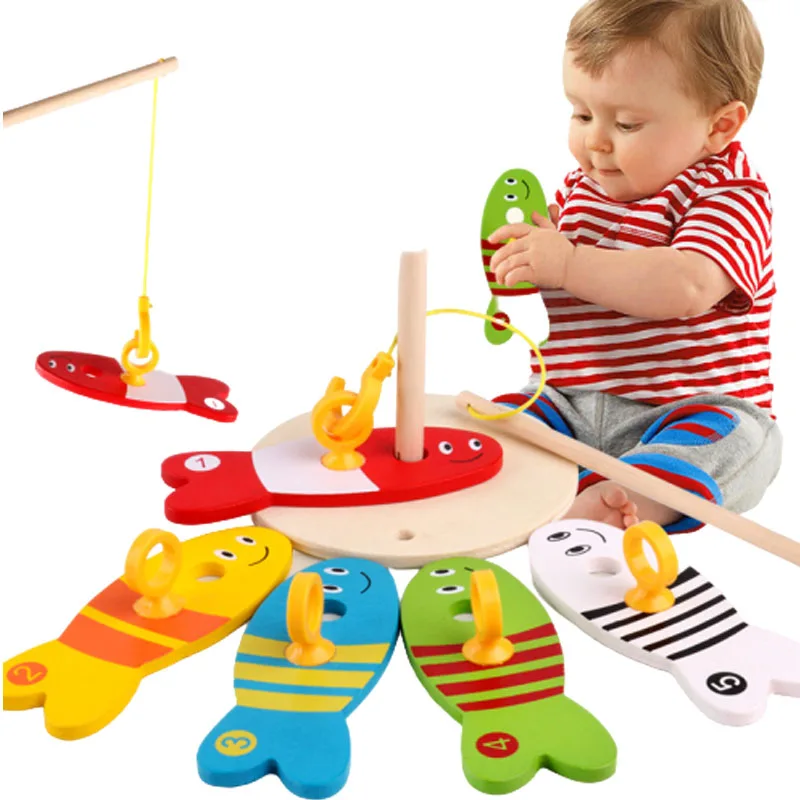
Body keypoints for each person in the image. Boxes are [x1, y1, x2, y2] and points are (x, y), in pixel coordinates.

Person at [488, 0, 781, 532]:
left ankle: (618, 503)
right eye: (581, 114)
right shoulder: (580, 190)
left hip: (686, 409)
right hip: (567, 404)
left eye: (626, 123)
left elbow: (685, 285)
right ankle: (516, 488)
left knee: (739, 442)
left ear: (719, 125)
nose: (594, 141)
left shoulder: (729, 193)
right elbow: (555, 295)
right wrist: (524, 266)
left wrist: (568, 263)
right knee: (498, 423)